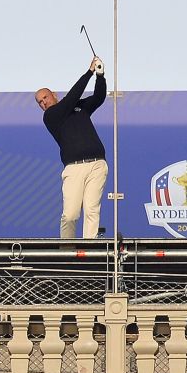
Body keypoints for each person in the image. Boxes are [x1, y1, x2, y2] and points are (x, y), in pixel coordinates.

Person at [36, 57, 108, 239]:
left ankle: (89, 249)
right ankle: (67, 249)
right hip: (74, 167)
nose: (43, 102)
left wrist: (100, 75)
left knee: (92, 210)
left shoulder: (77, 107)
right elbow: (71, 98)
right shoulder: (51, 116)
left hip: (97, 164)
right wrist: (89, 72)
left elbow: (99, 98)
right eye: (40, 102)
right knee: (70, 215)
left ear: (54, 94)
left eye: (45, 97)